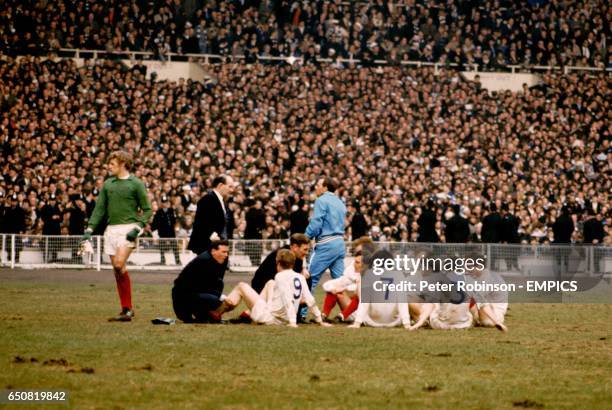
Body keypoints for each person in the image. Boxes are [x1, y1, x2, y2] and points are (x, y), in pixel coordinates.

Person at [82, 151, 153, 322]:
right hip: (111, 230)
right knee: (117, 269)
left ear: (122, 164)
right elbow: (99, 209)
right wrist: (89, 229)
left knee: (120, 264)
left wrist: (137, 228)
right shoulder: (108, 184)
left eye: (112, 164)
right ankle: (127, 309)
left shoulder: (136, 183)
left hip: (128, 229)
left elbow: (148, 210)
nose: (109, 167)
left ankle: (127, 309)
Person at [221, 249, 330, 327]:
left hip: (272, 319)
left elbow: (287, 299)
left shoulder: (280, 276)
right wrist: (319, 320)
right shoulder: (300, 277)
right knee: (270, 283)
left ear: (278, 263)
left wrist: (292, 323)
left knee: (241, 286)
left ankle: (217, 313)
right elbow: (310, 299)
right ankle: (249, 313)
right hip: (284, 318)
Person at [300, 177, 347, 321]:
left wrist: (304, 237)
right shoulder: (340, 203)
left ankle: (301, 314)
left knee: (309, 278)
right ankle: (351, 314)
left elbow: (316, 223)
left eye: (318, 185)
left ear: (325, 187)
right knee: (340, 282)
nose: (316, 187)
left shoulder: (321, 200)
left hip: (326, 243)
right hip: (340, 243)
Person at [172, 240, 230, 323]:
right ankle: (192, 313)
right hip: (184, 295)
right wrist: (221, 296)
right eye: (223, 252)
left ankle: (205, 314)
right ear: (213, 251)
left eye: (227, 252)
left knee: (220, 283)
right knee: (215, 300)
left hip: (198, 292)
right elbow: (198, 286)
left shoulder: (224, 259)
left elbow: (217, 280)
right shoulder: (203, 261)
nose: (226, 255)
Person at [320, 236, 373, 323]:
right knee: (334, 289)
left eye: (361, 251)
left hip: (368, 310)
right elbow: (341, 281)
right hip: (353, 306)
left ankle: (344, 316)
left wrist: (345, 289)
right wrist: (335, 288)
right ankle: (324, 315)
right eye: (357, 252)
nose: (358, 253)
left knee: (353, 292)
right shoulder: (352, 267)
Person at [188, 175, 236, 255]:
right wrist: (214, 237)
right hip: (208, 246)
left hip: (218, 247)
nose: (232, 190)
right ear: (220, 185)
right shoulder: (208, 199)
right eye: (230, 186)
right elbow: (202, 223)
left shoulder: (222, 201)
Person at [151, 194, 181, 265]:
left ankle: (177, 260)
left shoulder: (171, 211)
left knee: (175, 247)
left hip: (171, 232)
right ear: (161, 203)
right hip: (162, 233)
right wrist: (155, 233)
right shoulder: (158, 212)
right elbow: (154, 224)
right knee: (162, 248)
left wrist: (176, 229)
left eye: (166, 202)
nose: (165, 203)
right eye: (164, 202)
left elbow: (175, 221)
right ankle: (163, 260)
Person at [39, 193, 62, 263]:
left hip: (56, 230)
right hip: (47, 229)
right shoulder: (45, 207)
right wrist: (51, 217)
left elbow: (61, 218)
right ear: (49, 200)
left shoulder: (57, 208)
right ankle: (45, 259)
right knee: (46, 245)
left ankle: (54, 260)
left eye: (54, 200)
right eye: (51, 200)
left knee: (55, 246)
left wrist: (58, 217)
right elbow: (43, 218)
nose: (53, 201)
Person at [244, 199, 266, 266]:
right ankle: (257, 263)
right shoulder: (260, 213)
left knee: (252, 252)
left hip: (249, 235)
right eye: (258, 204)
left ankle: (254, 263)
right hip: (256, 235)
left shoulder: (248, 213)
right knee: (257, 251)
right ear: (255, 204)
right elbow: (263, 225)